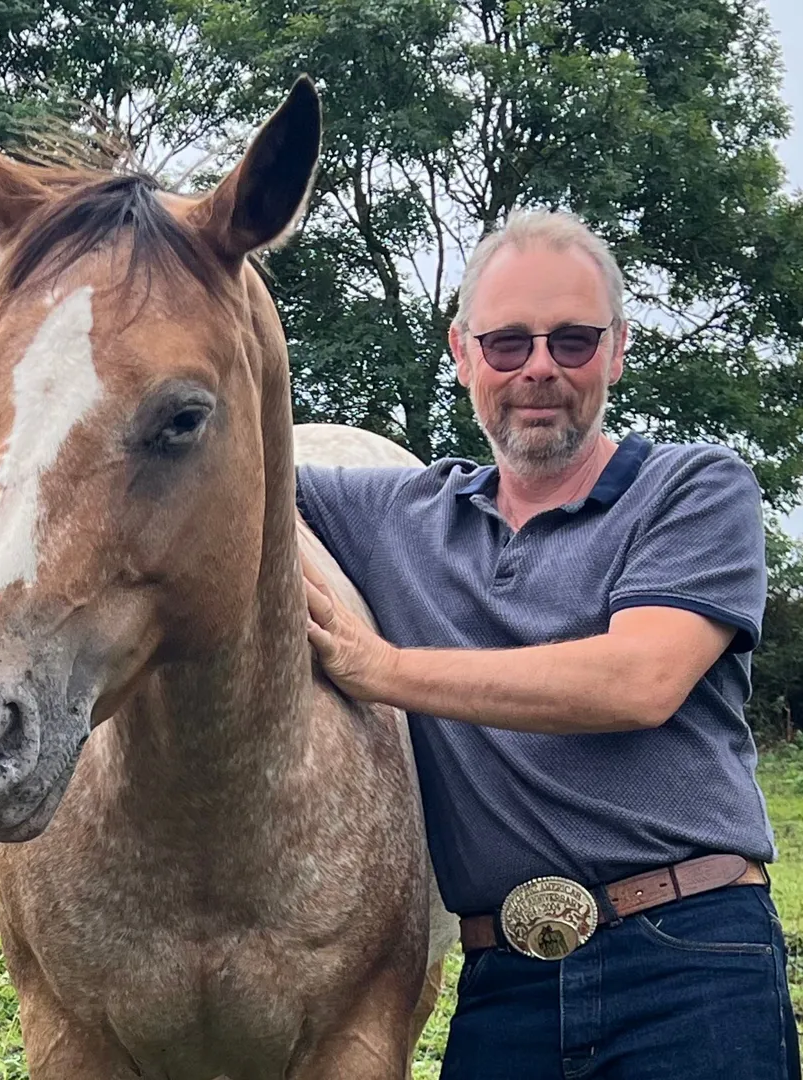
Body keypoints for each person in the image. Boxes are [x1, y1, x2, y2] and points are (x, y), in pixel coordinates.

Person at [296, 210, 800, 1079]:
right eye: (506, 344)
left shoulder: (693, 487)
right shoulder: (395, 515)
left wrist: (383, 671)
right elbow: (206, 467)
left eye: (571, 341)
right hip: (505, 982)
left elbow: (635, 680)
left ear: (616, 349)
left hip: (688, 958)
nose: (537, 367)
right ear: (461, 355)